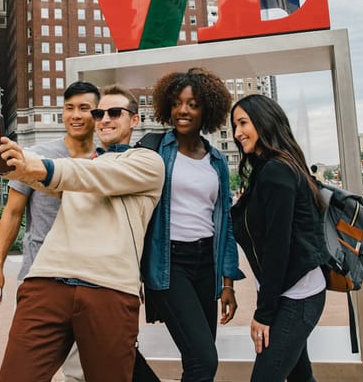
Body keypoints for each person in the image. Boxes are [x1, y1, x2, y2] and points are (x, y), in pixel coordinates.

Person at [0, 84, 164, 381]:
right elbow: (47, 180)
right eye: (99, 113)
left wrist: (34, 166)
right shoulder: (81, 167)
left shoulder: (148, 162)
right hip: (47, 282)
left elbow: (88, 175)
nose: (105, 119)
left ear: (134, 120)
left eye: (115, 112)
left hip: (108, 289)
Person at [0, 81, 100, 382]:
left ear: (97, 114)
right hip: (41, 278)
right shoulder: (36, 154)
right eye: (69, 108)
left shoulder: (107, 160)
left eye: (84, 108)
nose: (75, 115)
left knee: (86, 375)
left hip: (94, 281)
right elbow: (12, 213)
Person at [140, 68, 245, 381]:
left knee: (198, 358)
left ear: (207, 111)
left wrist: (228, 284)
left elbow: (224, 223)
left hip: (206, 265)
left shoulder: (216, 160)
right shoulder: (156, 150)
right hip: (170, 264)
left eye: (193, 104)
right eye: (176, 103)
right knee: (204, 360)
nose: (182, 110)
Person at [229, 94, 329, 382]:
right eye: (235, 125)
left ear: (264, 121)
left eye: (243, 123)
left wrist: (265, 312)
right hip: (291, 293)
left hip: (296, 297)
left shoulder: (276, 171)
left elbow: (277, 247)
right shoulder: (270, 168)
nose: (237, 133)